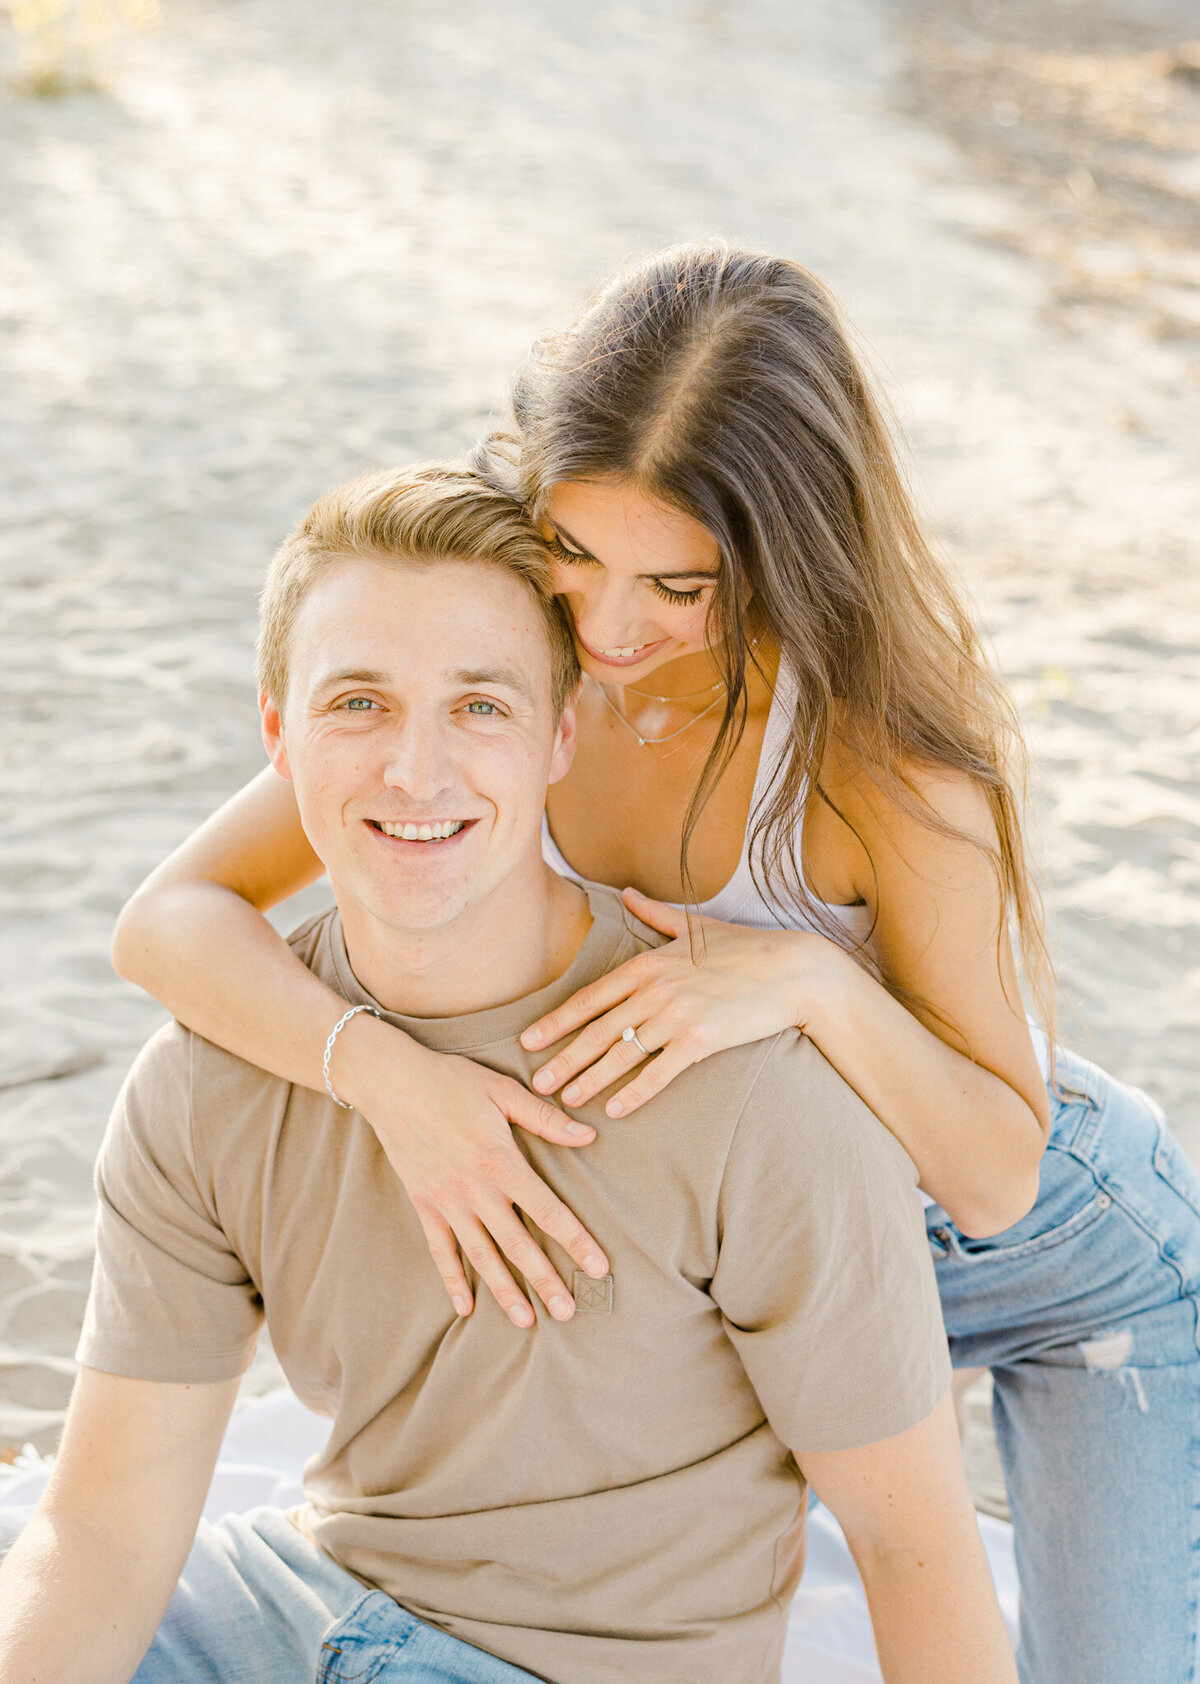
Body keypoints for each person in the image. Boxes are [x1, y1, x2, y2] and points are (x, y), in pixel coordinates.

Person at [111, 246, 1200, 1684]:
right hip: (762, 1252)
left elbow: (998, 1177)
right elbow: (168, 924)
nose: (612, 629)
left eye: (679, 584)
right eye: (574, 555)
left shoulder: (885, 766)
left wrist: (809, 984)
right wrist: (389, 1080)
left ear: (776, 554)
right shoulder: (518, 672)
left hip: (1051, 1266)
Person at [0, 464, 1015, 1684]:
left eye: (479, 707)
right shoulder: (207, 1083)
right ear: (277, 732)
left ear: (560, 734)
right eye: (359, 703)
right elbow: (106, 1528)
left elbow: (914, 1543)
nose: (416, 772)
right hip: (290, 1601)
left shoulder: (750, 1093)